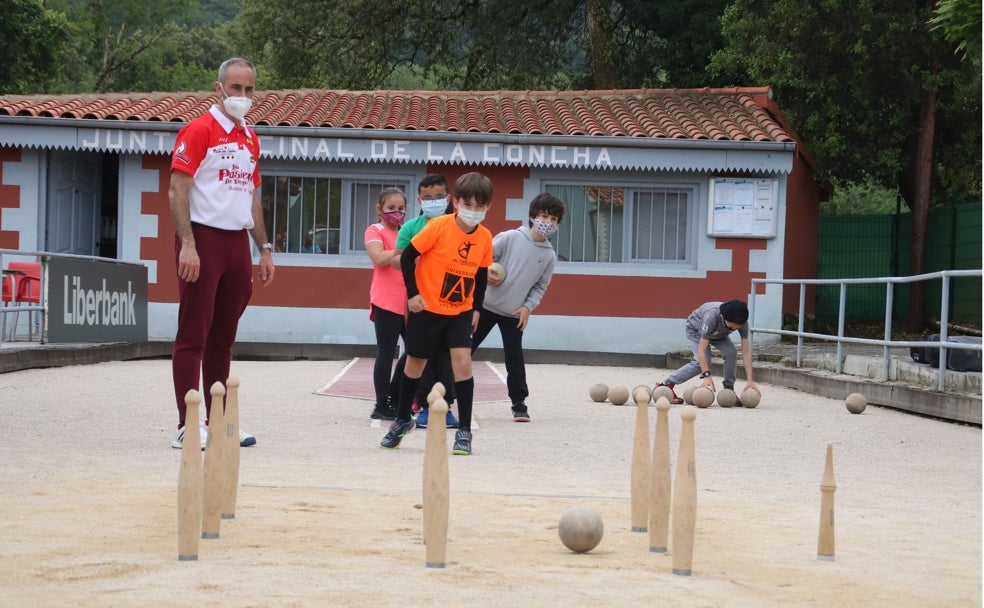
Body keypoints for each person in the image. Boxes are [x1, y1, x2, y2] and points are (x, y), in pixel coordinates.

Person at [168, 57, 275, 449]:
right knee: (193, 333)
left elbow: (251, 195)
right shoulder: (198, 130)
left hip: (236, 243)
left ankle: (220, 420)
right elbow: (177, 190)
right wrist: (189, 246)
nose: (242, 97)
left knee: (223, 337)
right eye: (235, 88)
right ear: (218, 88)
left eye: (249, 90)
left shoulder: (250, 136)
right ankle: (186, 423)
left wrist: (263, 247)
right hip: (204, 238)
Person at [380, 172, 494, 455]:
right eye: (468, 204)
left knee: (463, 363)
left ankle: (464, 431)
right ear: (455, 201)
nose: (473, 211)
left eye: (480, 206)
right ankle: (402, 419)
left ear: (488, 207)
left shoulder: (485, 238)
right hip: (427, 308)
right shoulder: (439, 227)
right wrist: (413, 294)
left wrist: (476, 309)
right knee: (414, 364)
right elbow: (406, 257)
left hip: (460, 311)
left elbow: (480, 277)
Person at [471, 192, 565, 422]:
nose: (548, 223)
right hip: (484, 306)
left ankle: (519, 403)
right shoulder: (511, 237)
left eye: (553, 219)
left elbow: (540, 287)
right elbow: (481, 257)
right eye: (544, 216)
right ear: (533, 217)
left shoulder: (549, 256)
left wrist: (528, 308)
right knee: (464, 349)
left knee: (515, 358)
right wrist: (487, 271)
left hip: (513, 312)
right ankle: (445, 391)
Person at [391, 174, 458, 429]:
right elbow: (397, 260)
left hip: (451, 301)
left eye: (438, 197)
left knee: (447, 357)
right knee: (422, 357)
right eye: (427, 198)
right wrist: (420, 259)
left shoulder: (458, 226)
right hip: (421, 300)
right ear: (420, 200)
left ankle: (447, 406)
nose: (433, 202)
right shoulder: (411, 228)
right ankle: (424, 406)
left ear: (448, 198)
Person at [654, 300, 759, 405]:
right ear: (722, 316)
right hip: (696, 331)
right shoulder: (711, 315)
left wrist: (750, 380)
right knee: (702, 362)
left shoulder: (742, 322)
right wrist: (707, 376)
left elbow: (746, 352)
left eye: (737, 328)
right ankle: (667, 384)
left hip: (718, 334)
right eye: (731, 327)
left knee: (731, 352)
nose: (734, 329)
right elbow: (701, 350)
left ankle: (729, 388)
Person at [365, 188, 409, 420]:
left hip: (410, 302)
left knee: (415, 351)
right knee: (386, 351)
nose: (396, 213)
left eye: (401, 209)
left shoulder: (407, 231)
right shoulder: (375, 230)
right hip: (385, 300)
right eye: (391, 208)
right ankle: (381, 405)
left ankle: (395, 394)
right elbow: (380, 258)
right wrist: (406, 249)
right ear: (379, 209)